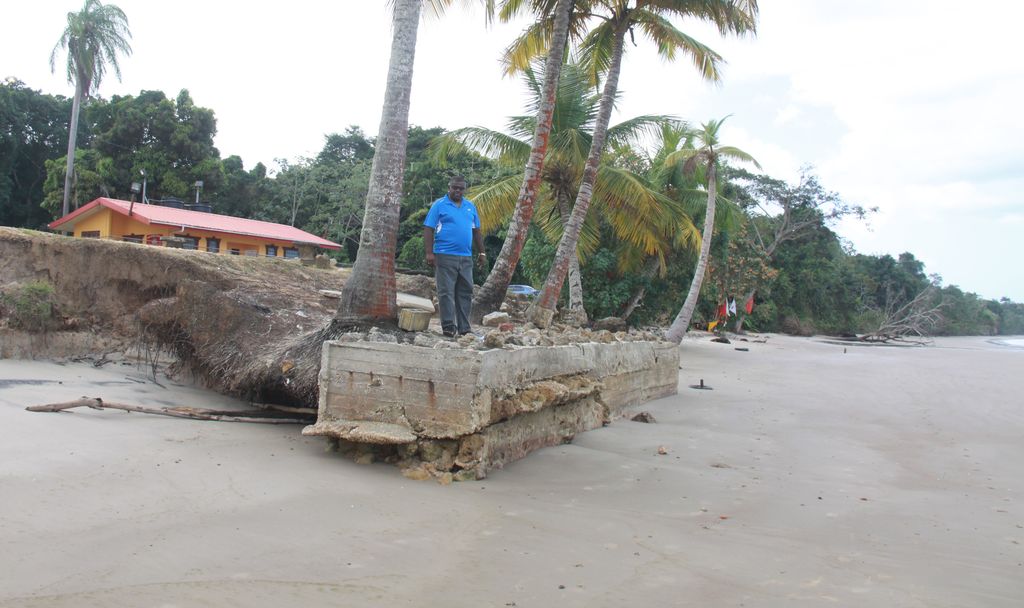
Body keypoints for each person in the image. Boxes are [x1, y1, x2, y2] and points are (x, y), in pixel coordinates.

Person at [423, 175, 486, 337]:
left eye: (461, 188)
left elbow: (476, 231)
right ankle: (449, 327)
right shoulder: (439, 205)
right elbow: (428, 228)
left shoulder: (470, 206)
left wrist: (482, 252)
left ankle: (464, 328)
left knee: (465, 292)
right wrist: (429, 253)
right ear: (449, 188)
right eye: (454, 188)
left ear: (465, 189)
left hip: (465, 257)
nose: (457, 191)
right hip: (444, 255)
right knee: (446, 293)